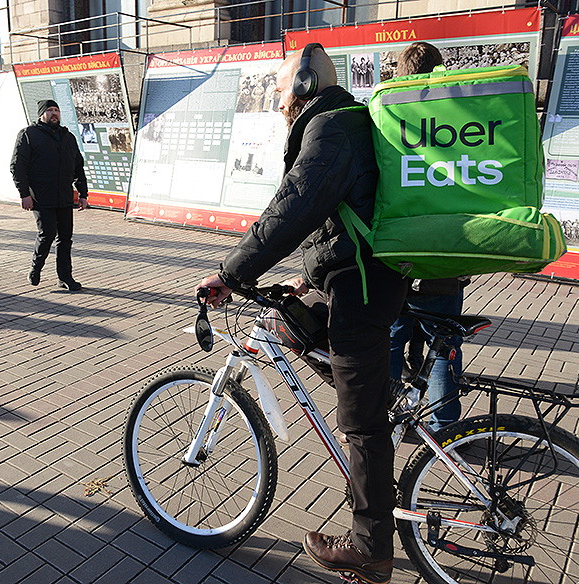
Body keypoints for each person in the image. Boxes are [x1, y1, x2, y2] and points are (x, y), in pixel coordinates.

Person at [196, 44, 407, 584]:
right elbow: (341, 221)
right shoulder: (342, 121)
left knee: (360, 425)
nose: (276, 98)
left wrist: (232, 272)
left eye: (281, 87)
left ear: (307, 85)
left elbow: (294, 206)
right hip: (355, 279)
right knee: (290, 321)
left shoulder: (330, 128)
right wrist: (305, 277)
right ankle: (372, 408)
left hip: (361, 290)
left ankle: (370, 548)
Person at [388, 42, 468, 432]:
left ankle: (383, 420)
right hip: (444, 261)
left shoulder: (390, 118)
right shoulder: (460, 120)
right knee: (443, 348)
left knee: (389, 342)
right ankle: (445, 432)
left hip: (399, 260)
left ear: (402, 73)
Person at [11, 99, 88, 291]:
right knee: (47, 235)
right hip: (41, 196)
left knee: (65, 238)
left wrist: (83, 193)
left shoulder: (67, 137)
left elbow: (78, 166)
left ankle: (65, 277)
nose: (54, 113)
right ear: (41, 114)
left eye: (56, 110)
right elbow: (18, 166)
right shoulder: (29, 135)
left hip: (64, 196)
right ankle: (36, 268)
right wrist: (24, 193)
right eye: (50, 110)